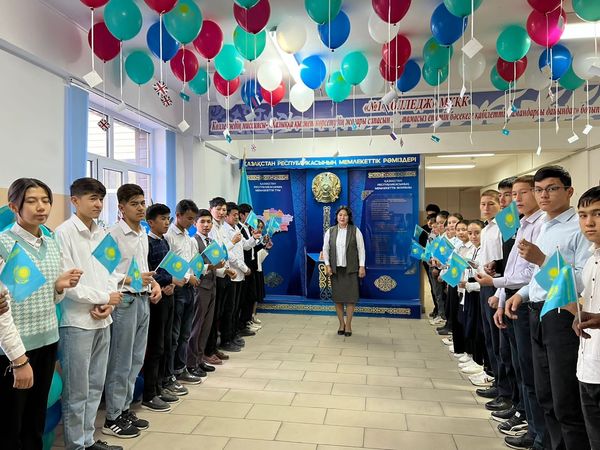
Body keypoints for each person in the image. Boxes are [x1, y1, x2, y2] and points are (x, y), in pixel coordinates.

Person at [507, 166, 591, 450]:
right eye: (539, 190)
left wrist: (543, 260)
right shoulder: (543, 224)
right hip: (537, 311)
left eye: (552, 189)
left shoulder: (578, 228)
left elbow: (581, 282)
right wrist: (522, 294)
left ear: (569, 191)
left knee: (565, 398)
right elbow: (538, 278)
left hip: (563, 314)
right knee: (545, 394)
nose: (544, 195)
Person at [0, 178, 82, 449]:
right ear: (14, 206)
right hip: (15, 350)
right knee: (10, 425)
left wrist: (59, 286)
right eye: (32, 201)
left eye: (46, 201)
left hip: (47, 341)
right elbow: (1, 311)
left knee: (35, 422)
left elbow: (51, 297)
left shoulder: (51, 242)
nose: (41, 207)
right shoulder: (4, 244)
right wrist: (18, 360)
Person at [477, 175, 546, 449]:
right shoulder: (520, 224)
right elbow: (513, 266)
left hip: (532, 303)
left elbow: (536, 273)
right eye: (509, 194)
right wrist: (503, 292)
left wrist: (498, 287)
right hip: (512, 295)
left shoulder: (540, 224)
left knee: (530, 371)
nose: (513, 200)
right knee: (515, 361)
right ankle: (522, 412)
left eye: (518, 193)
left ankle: (534, 427)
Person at [55, 178, 123, 450]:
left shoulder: (102, 233)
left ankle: (87, 439)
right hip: (76, 323)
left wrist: (110, 303)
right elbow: (68, 284)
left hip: (103, 319)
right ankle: (75, 445)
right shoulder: (63, 234)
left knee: (95, 385)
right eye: (92, 198)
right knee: (77, 390)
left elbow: (112, 271)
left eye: (101, 199)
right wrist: (103, 298)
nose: (98, 204)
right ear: (75, 201)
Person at [103, 184, 162, 439]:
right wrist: (130, 280)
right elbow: (104, 270)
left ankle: (125, 409)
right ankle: (112, 417)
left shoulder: (142, 233)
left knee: (136, 359)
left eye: (142, 203)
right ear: (121, 207)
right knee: (121, 361)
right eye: (134, 204)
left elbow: (143, 268)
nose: (140, 208)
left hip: (142, 299)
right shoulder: (113, 234)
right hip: (124, 301)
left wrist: (154, 285)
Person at [143, 203, 182, 413]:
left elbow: (168, 268)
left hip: (169, 296)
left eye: (168, 218)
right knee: (155, 346)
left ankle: (161, 385)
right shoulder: (147, 243)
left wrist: (172, 284)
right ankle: (150, 393)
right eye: (163, 219)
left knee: (167, 343)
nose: (167, 222)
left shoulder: (164, 241)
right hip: (155, 299)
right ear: (150, 222)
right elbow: (148, 273)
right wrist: (165, 283)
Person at [572, 185, 600, 450]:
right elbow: (588, 300)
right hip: (588, 364)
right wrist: (579, 313)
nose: (589, 222)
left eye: (598, 214)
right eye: (583, 215)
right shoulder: (591, 259)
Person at [165, 200, 202, 382]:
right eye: (189, 218)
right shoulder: (169, 236)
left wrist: (196, 273)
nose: (192, 222)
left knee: (186, 332)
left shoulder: (189, 237)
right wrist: (188, 277)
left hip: (190, 289)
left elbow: (192, 261)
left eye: (194, 219)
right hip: (177, 289)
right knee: (175, 334)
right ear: (178, 215)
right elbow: (168, 265)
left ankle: (181, 368)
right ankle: (171, 373)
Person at [188, 209, 223, 371]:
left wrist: (222, 268)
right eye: (202, 221)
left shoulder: (211, 241)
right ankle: (191, 363)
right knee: (197, 326)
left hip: (212, 285)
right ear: (195, 223)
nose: (206, 225)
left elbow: (216, 264)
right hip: (200, 287)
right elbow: (194, 266)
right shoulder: (193, 241)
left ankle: (200, 358)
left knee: (207, 326)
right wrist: (212, 266)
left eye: (209, 222)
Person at [322, 206, 366, 337]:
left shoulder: (355, 230)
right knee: (338, 299)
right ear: (336, 217)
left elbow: (361, 249)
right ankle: (341, 324)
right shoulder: (330, 231)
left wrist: (362, 266)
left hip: (351, 269)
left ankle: (349, 325)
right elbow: (325, 249)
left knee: (351, 299)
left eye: (345, 215)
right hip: (336, 271)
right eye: (340, 215)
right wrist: (327, 265)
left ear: (349, 217)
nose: (342, 217)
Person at [207, 197, 237, 357]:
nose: (221, 212)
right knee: (213, 315)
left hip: (224, 272)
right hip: (215, 275)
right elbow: (215, 254)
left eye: (223, 210)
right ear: (211, 210)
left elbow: (223, 251)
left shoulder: (220, 227)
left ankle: (215, 347)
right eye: (218, 209)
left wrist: (227, 269)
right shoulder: (211, 228)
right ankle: (210, 349)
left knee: (220, 312)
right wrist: (224, 270)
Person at [222, 202, 251, 350]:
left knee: (236, 307)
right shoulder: (224, 230)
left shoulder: (236, 228)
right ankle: (226, 339)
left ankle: (233, 334)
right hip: (232, 273)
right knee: (229, 309)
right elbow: (229, 254)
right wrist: (244, 267)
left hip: (240, 274)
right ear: (226, 216)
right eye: (233, 215)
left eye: (237, 215)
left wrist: (255, 238)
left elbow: (245, 245)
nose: (236, 217)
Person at [237, 204, 263, 334]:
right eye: (249, 214)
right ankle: (242, 324)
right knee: (244, 297)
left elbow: (250, 247)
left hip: (251, 264)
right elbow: (244, 248)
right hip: (243, 265)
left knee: (251, 296)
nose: (251, 217)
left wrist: (262, 242)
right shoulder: (238, 228)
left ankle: (247, 321)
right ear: (242, 215)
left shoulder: (247, 228)